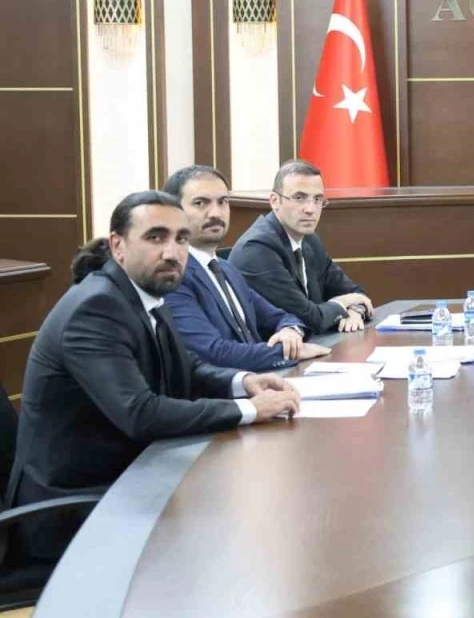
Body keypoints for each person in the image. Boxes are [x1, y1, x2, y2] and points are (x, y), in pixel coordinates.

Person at [7, 191, 301, 562]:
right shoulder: (95, 308)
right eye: (155, 237)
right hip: (74, 510)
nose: (172, 252)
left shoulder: (146, 294)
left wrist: (241, 382)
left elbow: (184, 367)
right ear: (118, 245)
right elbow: (141, 413)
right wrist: (251, 410)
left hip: (129, 479)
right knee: (239, 534)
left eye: (181, 239)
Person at [163, 165, 330, 372]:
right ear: (173, 212)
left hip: (265, 381)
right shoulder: (173, 276)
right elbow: (214, 353)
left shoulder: (225, 269)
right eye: (200, 203)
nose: (215, 213)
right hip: (228, 389)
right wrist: (289, 352)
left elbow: (281, 317)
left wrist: (290, 332)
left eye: (222, 202)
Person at [230, 160, 372, 334]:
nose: (310, 209)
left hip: (311, 344)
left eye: (317, 199)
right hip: (273, 347)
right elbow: (309, 319)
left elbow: (354, 291)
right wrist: (345, 303)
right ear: (275, 201)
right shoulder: (257, 249)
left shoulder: (310, 241)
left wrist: (355, 310)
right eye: (299, 198)